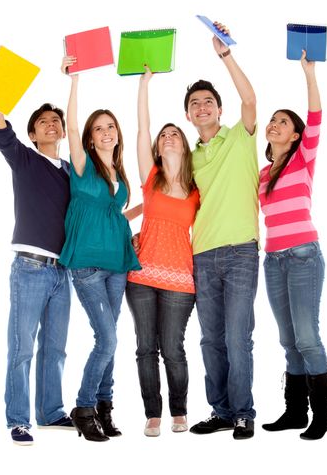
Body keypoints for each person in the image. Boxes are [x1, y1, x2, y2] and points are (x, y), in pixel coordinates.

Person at [0, 62, 73, 446]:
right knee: (21, 347)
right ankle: (18, 419)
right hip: (30, 268)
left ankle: (51, 412)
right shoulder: (24, 159)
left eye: (56, 121)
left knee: (55, 347)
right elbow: (0, 127)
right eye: (43, 122)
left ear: (63, 131)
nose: (51, 125)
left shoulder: (72, 171)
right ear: (33, 134)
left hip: (62, 271)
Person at [60, 56, 141, 442]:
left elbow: (118, 213)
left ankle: (105, 408)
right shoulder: (82, 165)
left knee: (109, 340)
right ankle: (84, 407)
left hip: (118, 263)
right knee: (106, 340)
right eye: (99, 128)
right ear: (91, 137)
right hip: (88, 265)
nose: (105, 132)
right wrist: (74, 80)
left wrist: (154, 209)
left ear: (117, 133)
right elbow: (71, 125)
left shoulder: (121, 174)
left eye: (111, 126)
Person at [186, 22, 259, 440]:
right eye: (195, 103)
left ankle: (243, 412)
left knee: (237, 337)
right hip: (202, 255)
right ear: (188, 113)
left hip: (241, 251)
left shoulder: (241, 138)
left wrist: (225, 55)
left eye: (208, 101)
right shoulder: (190, 158)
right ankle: (221, 411)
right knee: (210, 340)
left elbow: (250, 98)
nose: (202, 107)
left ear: (219, 108)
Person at [259, 51, 327, 440]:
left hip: (304, 256)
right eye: (272, 121)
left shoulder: (303, 159)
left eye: (282, 122)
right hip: (273, 260)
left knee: (307, 336)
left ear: (295, 134)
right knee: (288, 339)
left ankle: (322, 415)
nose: (274, 125)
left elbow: (316, 117)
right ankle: (294, 412)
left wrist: (309, 74)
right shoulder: (263, 175)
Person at [125, 67, 200, 437]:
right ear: (158, 147)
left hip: (180, 280)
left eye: (175, 134)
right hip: (140, 275)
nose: (169, 137)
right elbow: (141, 129)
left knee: (173, 349)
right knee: (144, 349)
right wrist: (144, 85)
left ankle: (180, 411)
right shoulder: (150, 177)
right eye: (164, 135)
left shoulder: (196, 188)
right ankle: (153, 413)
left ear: (184, 145)